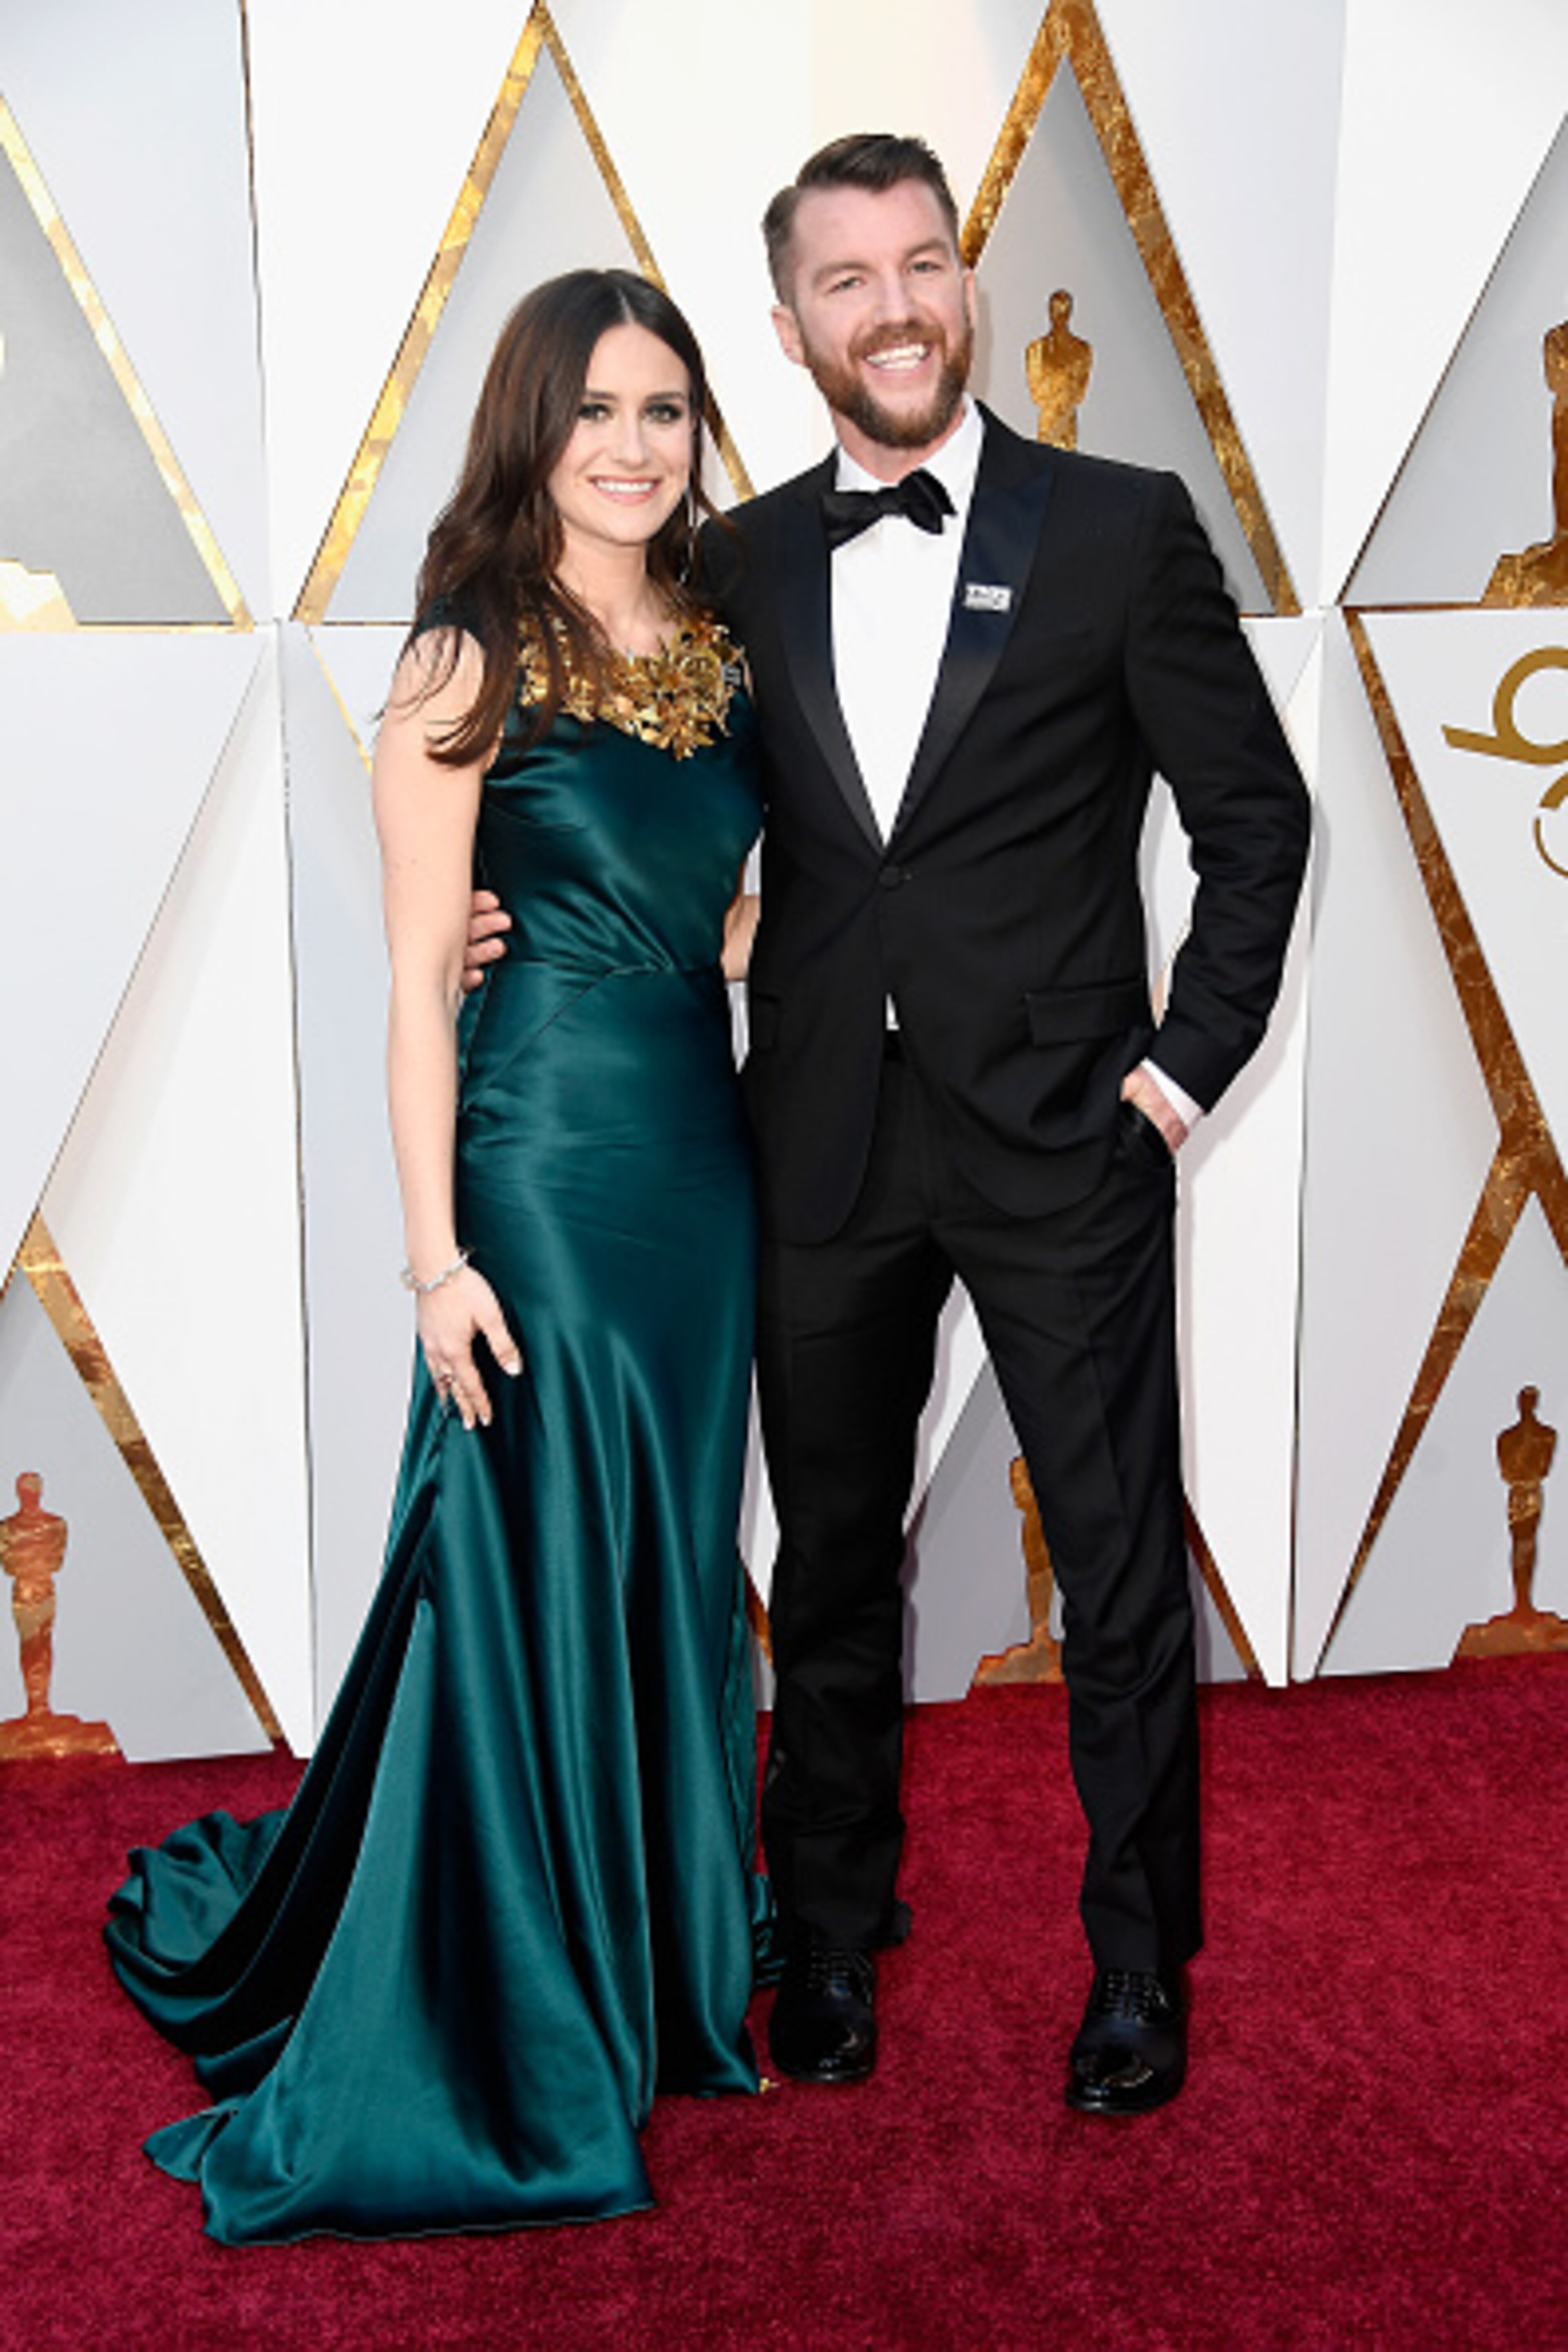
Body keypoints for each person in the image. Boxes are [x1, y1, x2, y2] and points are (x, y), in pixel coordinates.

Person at [472, 134, 1310, 2116]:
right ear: (789, 331)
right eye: (847, 280)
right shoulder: (738, 565)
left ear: (966, 284)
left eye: (924, 263)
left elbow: (1256, 820)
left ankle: (1139, 1965)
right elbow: (645, 790)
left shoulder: (1120, 528)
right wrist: (511, 903)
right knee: (833, 1559)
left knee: (1116, 1571)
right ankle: (829, 1934)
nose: (897, 307)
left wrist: (1177, 1075)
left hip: (1068, 1141)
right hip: (817, 1138)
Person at [105, 270, 768, 2243]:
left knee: (664, 1547)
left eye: (665, 410)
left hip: (701, 1166)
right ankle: (517, 2012)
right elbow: (415, 984)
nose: (635, 448)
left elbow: (714, 911)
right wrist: (434, 1263)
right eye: (598, 412)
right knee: (530, 1553)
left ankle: (644, 1957)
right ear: (531, 430)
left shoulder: (725, 646)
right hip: (541, 1171)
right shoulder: (465, 655)